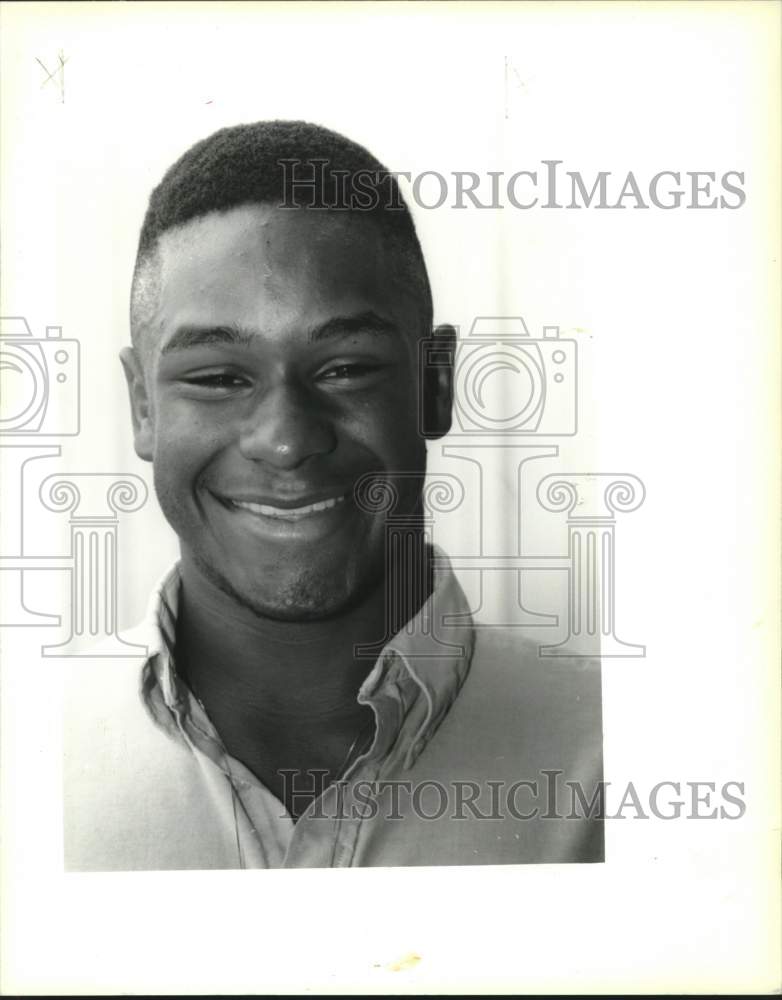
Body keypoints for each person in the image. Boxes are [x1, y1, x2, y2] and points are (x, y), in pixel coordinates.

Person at [63, 120, 603, 870]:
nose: (285, 440)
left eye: (344, 367)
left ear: (434, 383)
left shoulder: (622, 760)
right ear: (143, 409)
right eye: (219, 377)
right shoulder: (22, 755)